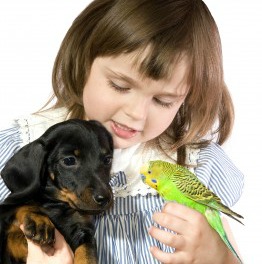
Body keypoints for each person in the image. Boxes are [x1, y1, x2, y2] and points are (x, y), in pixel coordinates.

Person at [0, 0, 244, 263]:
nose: (137, 114)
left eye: (163, 101)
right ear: (84, 62)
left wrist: (219, 256)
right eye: (119, 85)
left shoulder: (195, 167)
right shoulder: (21, 149)